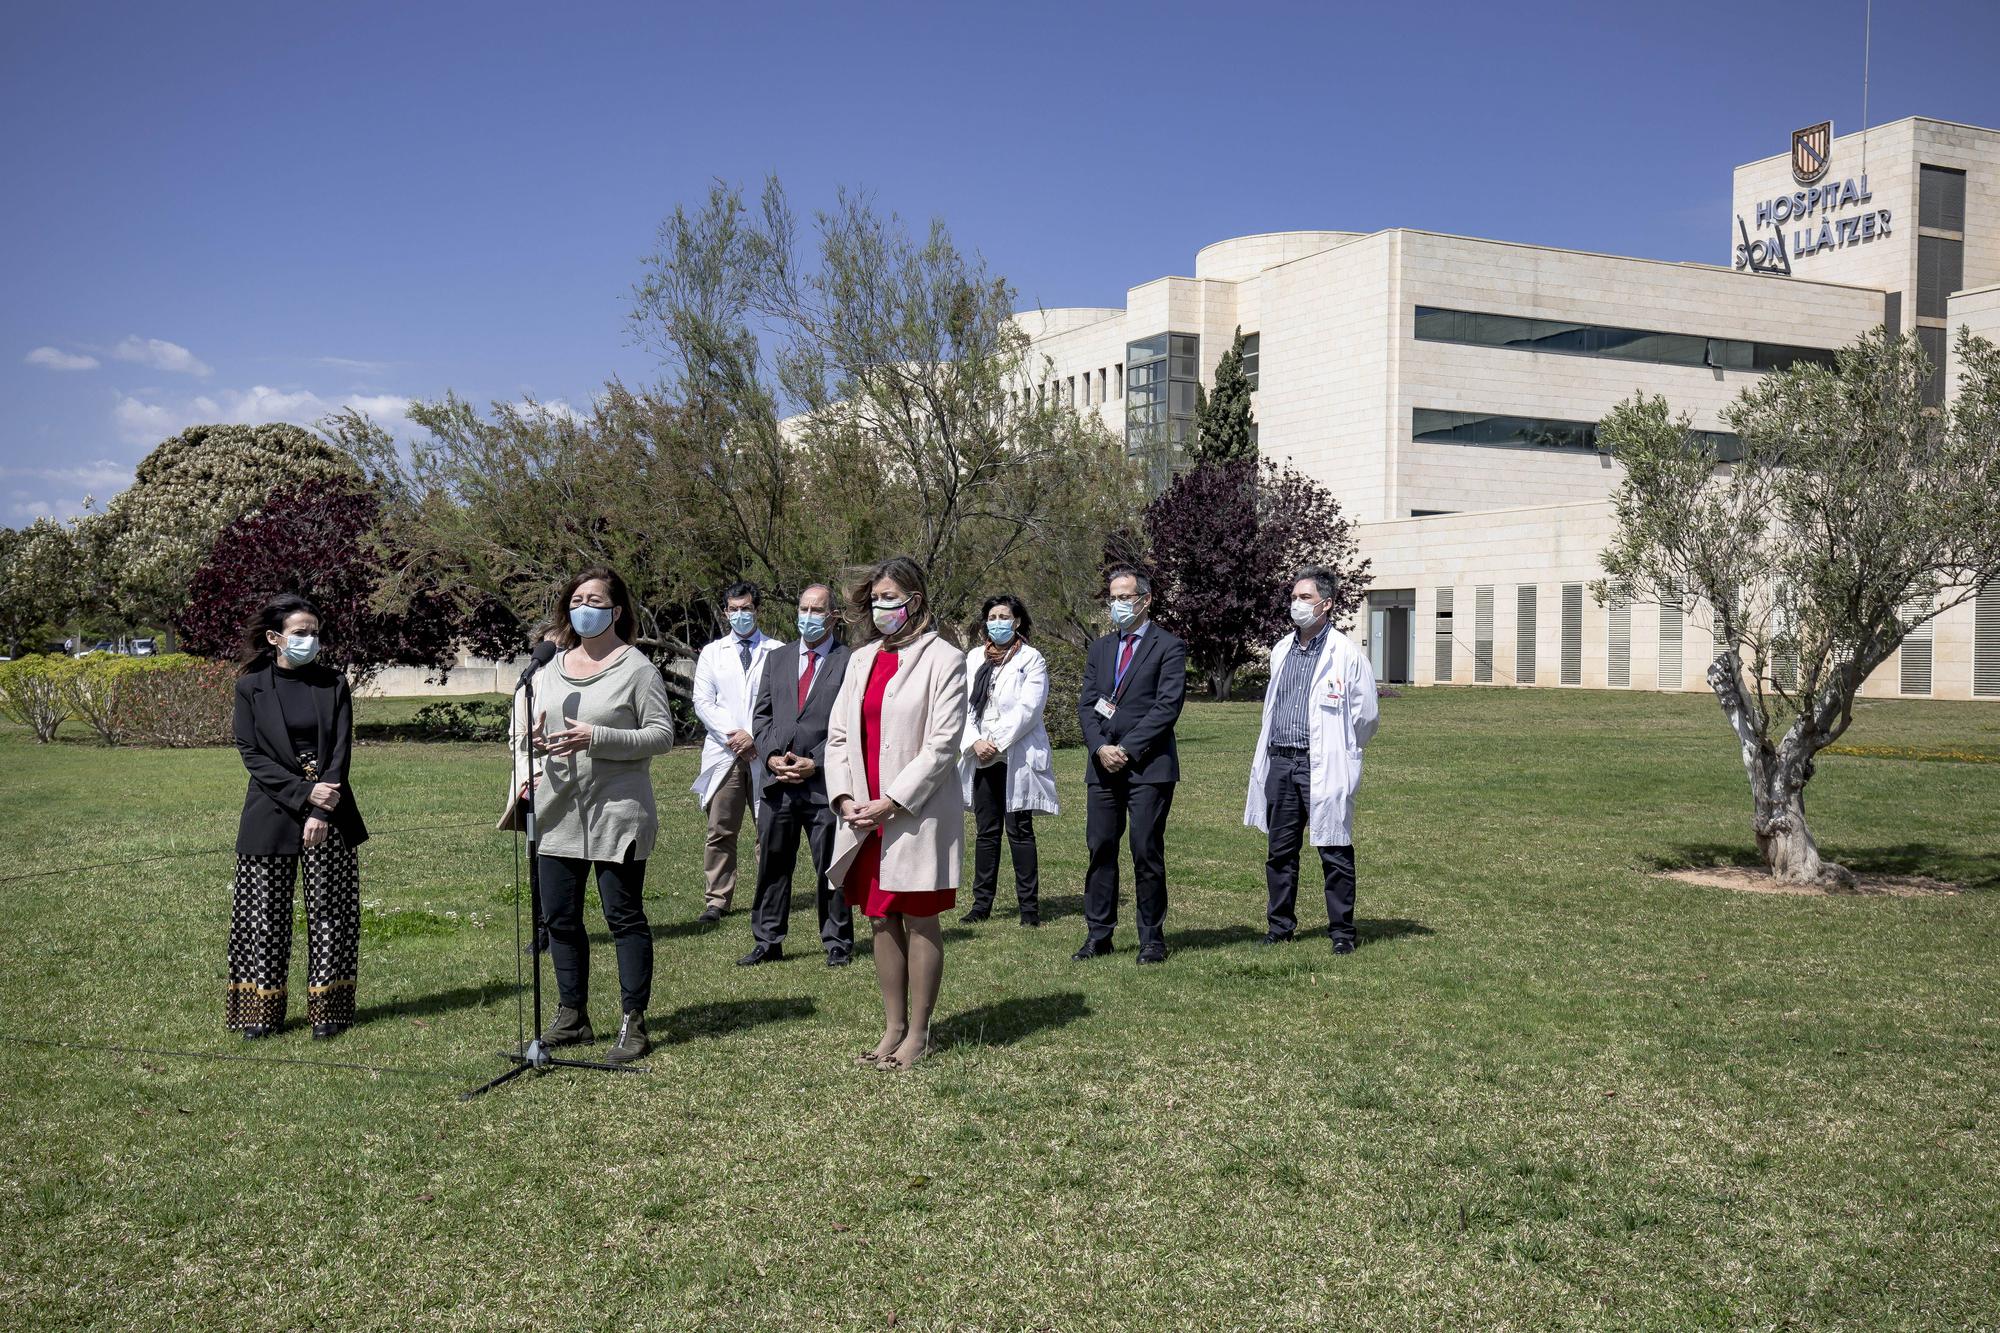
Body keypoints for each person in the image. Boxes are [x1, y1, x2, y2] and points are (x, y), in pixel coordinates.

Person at [525, 566, 675, 1064]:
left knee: (622, 917)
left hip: (617, 813)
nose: (582, 606)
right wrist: (537, 745)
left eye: (594, 599)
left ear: (615, 610)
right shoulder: (549, 669)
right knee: (562, 919)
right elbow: (534, 730)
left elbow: (661, 736)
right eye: (576, 599)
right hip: (558, 811)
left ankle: (634, 1022)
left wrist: (598, 737)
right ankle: (573, 1016)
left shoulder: (637, 669)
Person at [825, 556, 967, 1071]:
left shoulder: (945, 659)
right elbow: (839, 735)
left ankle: (920, 1034)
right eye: (875, 599)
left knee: (919, 914)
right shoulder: (861, 659)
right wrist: (845, 799)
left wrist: (893, 800)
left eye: (890, 598)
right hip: (864, 812)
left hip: (914, 811)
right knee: (881, 917)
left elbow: (943, 744)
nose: (881, 607)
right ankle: (893, 1028)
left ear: (915, 601)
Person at [226, 592, 368, 1040]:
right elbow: (251, 753)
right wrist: (305, 795)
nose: (310, 639)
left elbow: (340, 750)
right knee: (262, 915)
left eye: (315, 632)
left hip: (331, 812)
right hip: (270, 811)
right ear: (274, 638)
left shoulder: (333, 683)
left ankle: (330, 1011)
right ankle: (260, 1012)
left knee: (333, 912)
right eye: (300, 633)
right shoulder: (250, 687)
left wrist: (321, 808)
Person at [1244, 567, 1380, 953]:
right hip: (1281, 763)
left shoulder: (1347, 655)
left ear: (1327, 604)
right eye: (1294, 597)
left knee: (1334, 848)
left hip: (1321, 763)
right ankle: (1280, 926)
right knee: (1280, 850)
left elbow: (1366, 717)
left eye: (1305, 598)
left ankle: (1341, 933)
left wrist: (1342, 749)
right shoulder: (1282, 650)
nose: (1297, 605)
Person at [1075, 564, 1187, 964]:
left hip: (1148, 768)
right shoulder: (1101, 648)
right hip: (1103, 766)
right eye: (1114, 598)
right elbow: (1088, 705)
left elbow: (1166, 706)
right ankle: (1098, 934)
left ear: (1145, 599)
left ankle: (1151, 938)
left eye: (1125, 597)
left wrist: (1128, 747)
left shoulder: (1168, 647)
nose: (1118, 604)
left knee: (1145, 850)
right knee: (1101, 848)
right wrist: (1101, 748)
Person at [740, 583, 855, 967]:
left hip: (825, 783)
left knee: (830, 866)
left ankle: (837, 940)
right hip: (779, 784)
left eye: (817, 610)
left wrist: (817, 762)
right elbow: (762, 715)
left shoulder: (850, 662)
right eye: (804, 608)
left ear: (833, 616)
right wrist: (771, 756)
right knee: (773, 863)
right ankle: (767, 939)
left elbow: (852, 725)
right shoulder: (779, 659)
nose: (808, 616)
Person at [956, 595, 1057, 926]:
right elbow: (962, 707)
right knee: (986, 832)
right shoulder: (974, 659)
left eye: (1004, 616)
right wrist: (975, 742)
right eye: (992, 616)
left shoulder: (1032, 659)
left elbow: (1029, 710)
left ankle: (1029, 909)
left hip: (1015, 755)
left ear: (1017, 622)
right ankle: (981, 904)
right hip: (982, 756)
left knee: (1020, 831)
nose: (997, 622)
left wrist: (995, 742)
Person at [690, 581, 783, 924]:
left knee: (768, 827)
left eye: (746, 608)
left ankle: (768, 895)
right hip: (725, 752)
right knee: (721, 829)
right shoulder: (712, 653)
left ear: (757, 610)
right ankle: (717, 899)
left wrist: (756, 738)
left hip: (764, 752)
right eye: (734, 609)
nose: (740, 615)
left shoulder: (778, 651)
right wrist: (736, 736)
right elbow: (703, 702)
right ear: (725, 611)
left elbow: (783, 703)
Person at [498, 619, 562, 955]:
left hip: (575, 784)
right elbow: (517, 740)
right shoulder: (528, 686)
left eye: (563, 644)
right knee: (539, 858)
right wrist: (536, 772)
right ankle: (541, 930)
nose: (556, 651)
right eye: (550, 645)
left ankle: (563, 924)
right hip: (536, 785)